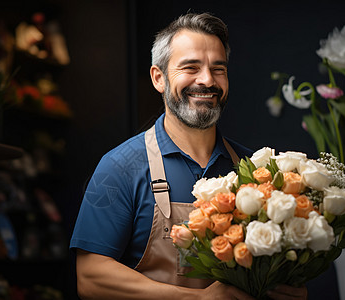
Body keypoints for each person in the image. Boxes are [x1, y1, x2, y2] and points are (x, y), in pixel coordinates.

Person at [70, 12, 308, 300]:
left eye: (218, 69)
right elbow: (90, 277)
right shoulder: (119, 167)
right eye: (191, 67)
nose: (207, 80)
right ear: (159, 78)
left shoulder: (254, 170)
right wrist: (196, 299)